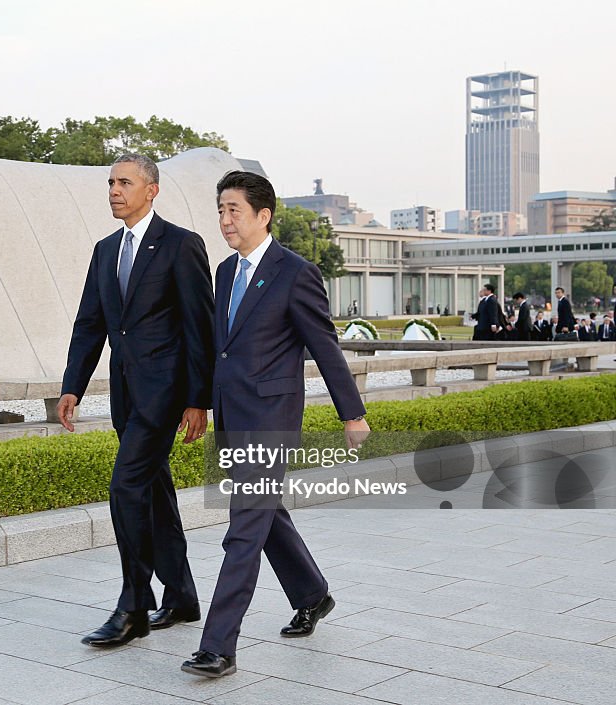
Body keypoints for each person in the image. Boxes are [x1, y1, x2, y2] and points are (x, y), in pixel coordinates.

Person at [181, 171, 369, 678]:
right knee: (266, 515)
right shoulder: (224, 272)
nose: (224, 220)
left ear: (264, 216)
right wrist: (199, 402)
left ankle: (218, 645)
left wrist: (352, 413)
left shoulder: (295, 272)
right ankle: (312, 593)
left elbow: (324, 346)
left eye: (234, 210)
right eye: (220, 210)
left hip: (270, 417)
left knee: (243, 529)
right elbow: (216, 348)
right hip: (230, 414)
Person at [58, 153, 213, 647]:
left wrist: (198, 399)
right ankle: (183, 594)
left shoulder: (181, 245)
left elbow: (199, 328)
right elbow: (90, 325)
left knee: (125, 487)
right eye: (110, 182)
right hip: (125, 393)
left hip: (165, 394)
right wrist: (72, 386)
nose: (114, 190)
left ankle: (134, 605)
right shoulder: (105, 250)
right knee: (153, 490)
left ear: (153, 190)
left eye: (125, 182)